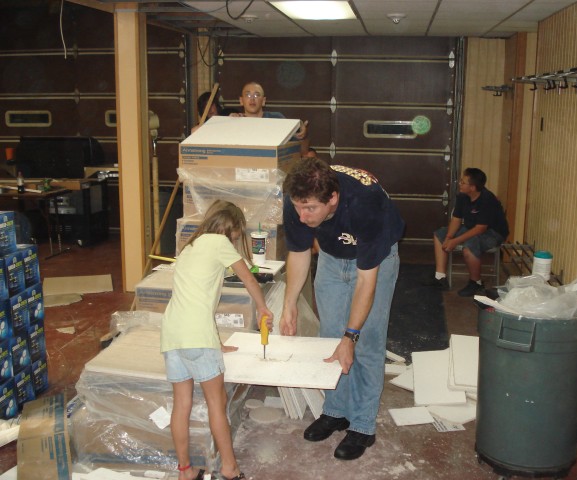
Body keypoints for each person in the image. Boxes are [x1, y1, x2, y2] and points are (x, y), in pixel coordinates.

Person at [280, 158, 404, 460]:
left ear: (332, 198)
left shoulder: (366, 203)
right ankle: (335, 411)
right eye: (298, 207)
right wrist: (289, 304)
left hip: (376, 260)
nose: (302, 215)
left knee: (366, 344)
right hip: (332, 257)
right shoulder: (298, 196)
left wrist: (351, 336)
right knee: (329, 337)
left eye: (309, 209)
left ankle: (362, 425)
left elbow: (366, 282)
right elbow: (298, 252)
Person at [161, 199, 273, 480]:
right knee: (216, 402)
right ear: (233, 229)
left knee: (182, 404)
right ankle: (229, 469)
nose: (237, 239)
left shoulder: (190, 247)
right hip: (197, 336)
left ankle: (185, 471)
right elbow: (249, 278)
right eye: (238, 235)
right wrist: (263, 307)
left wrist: (215, 343)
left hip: (173, 333)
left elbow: (195, 298)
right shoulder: (220, 243)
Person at [429, 167, 509, 297]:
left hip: (493, 232)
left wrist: (455, 241)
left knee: (470, 246)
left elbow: (481, 228)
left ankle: (476, 283)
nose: (460, 184)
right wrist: (449, 237)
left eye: (463, 182)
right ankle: (440, 278)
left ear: (472, 187)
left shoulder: (487, 199)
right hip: (472, 227)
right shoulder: (462, 196)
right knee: (440, 234)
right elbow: (456, 219)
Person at [231, 81, 310, 153]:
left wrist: (303, 135)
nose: (252, 99)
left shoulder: (277, 119)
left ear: (264, 101)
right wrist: (230, 123)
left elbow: (303, 151)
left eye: (256, 95)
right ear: (241, 100)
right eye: (248, 95)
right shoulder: (236, 121)